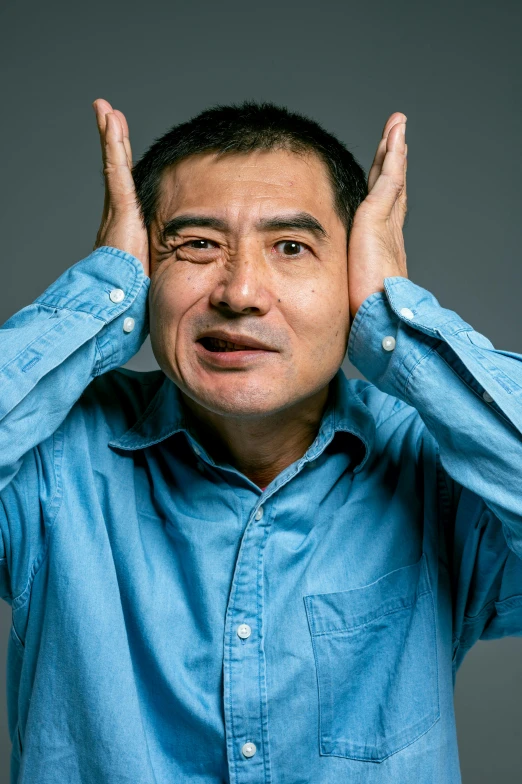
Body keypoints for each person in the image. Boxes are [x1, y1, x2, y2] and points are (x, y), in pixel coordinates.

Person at [1, 97, 521, 784]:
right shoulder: (52, 459)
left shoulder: (440, 466)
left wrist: (397, 314)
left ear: (351, 276)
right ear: (145, 271)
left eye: (292, 247)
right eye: (195, 245)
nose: (241, 291)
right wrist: (101, 296)